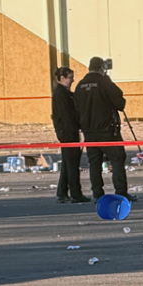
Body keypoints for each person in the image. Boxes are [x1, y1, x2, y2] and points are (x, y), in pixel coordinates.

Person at [74, 57, 137, 202]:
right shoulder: (104, 82)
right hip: (107, 130)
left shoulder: (80, 85)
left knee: (94, 163)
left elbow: (76, 108)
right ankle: (121, 191)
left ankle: (97, 193)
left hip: (89, 131)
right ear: (102, 68)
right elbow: (120, 102)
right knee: (117, 159)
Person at [50, 67, 88, 204]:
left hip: (67, 130)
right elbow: (68, 115)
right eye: (70, 77)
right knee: (72, 163)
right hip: (67, 131)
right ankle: (75, 193)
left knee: (68, 163)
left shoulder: (63, 93)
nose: (72, 80)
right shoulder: (62, 95)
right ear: (62, 78)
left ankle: (62, 192)